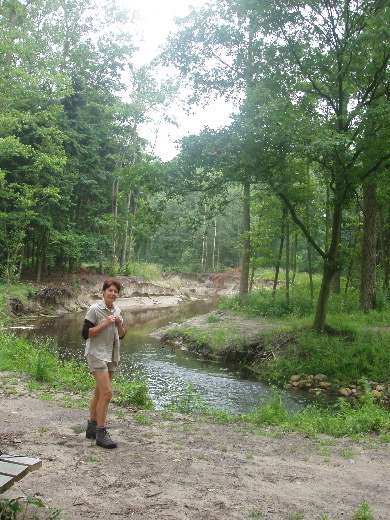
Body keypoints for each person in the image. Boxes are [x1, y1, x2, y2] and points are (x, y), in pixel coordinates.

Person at [82, 279, 126, 449]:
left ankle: (91, 428)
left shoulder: (117, 310)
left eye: (116, 291)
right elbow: (86, 334)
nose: (113, 294)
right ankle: (101, 432)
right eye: (110, 290)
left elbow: (121, 335)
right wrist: (105, 323)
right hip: (96, 354)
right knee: (107, 393)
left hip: (111, 355)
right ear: (103, 292)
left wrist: (119, 324)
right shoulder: (95, 309)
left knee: (100, 393)